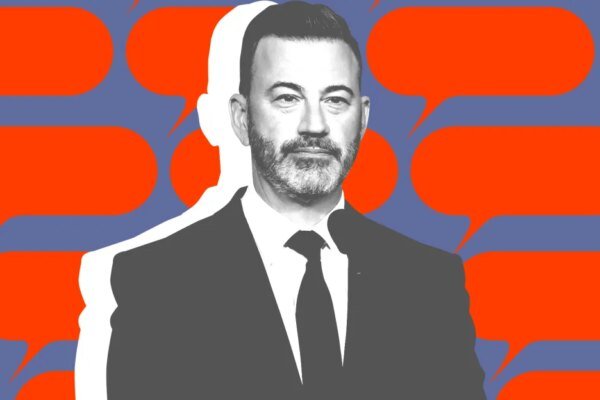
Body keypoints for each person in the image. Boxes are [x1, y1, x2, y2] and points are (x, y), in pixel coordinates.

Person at [105, 2, 486, 399]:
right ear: (241, 117)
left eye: (335, 100)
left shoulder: (430, 283)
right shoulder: (155, 283)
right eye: (287, 98)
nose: (314, 126)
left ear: (363, 118)